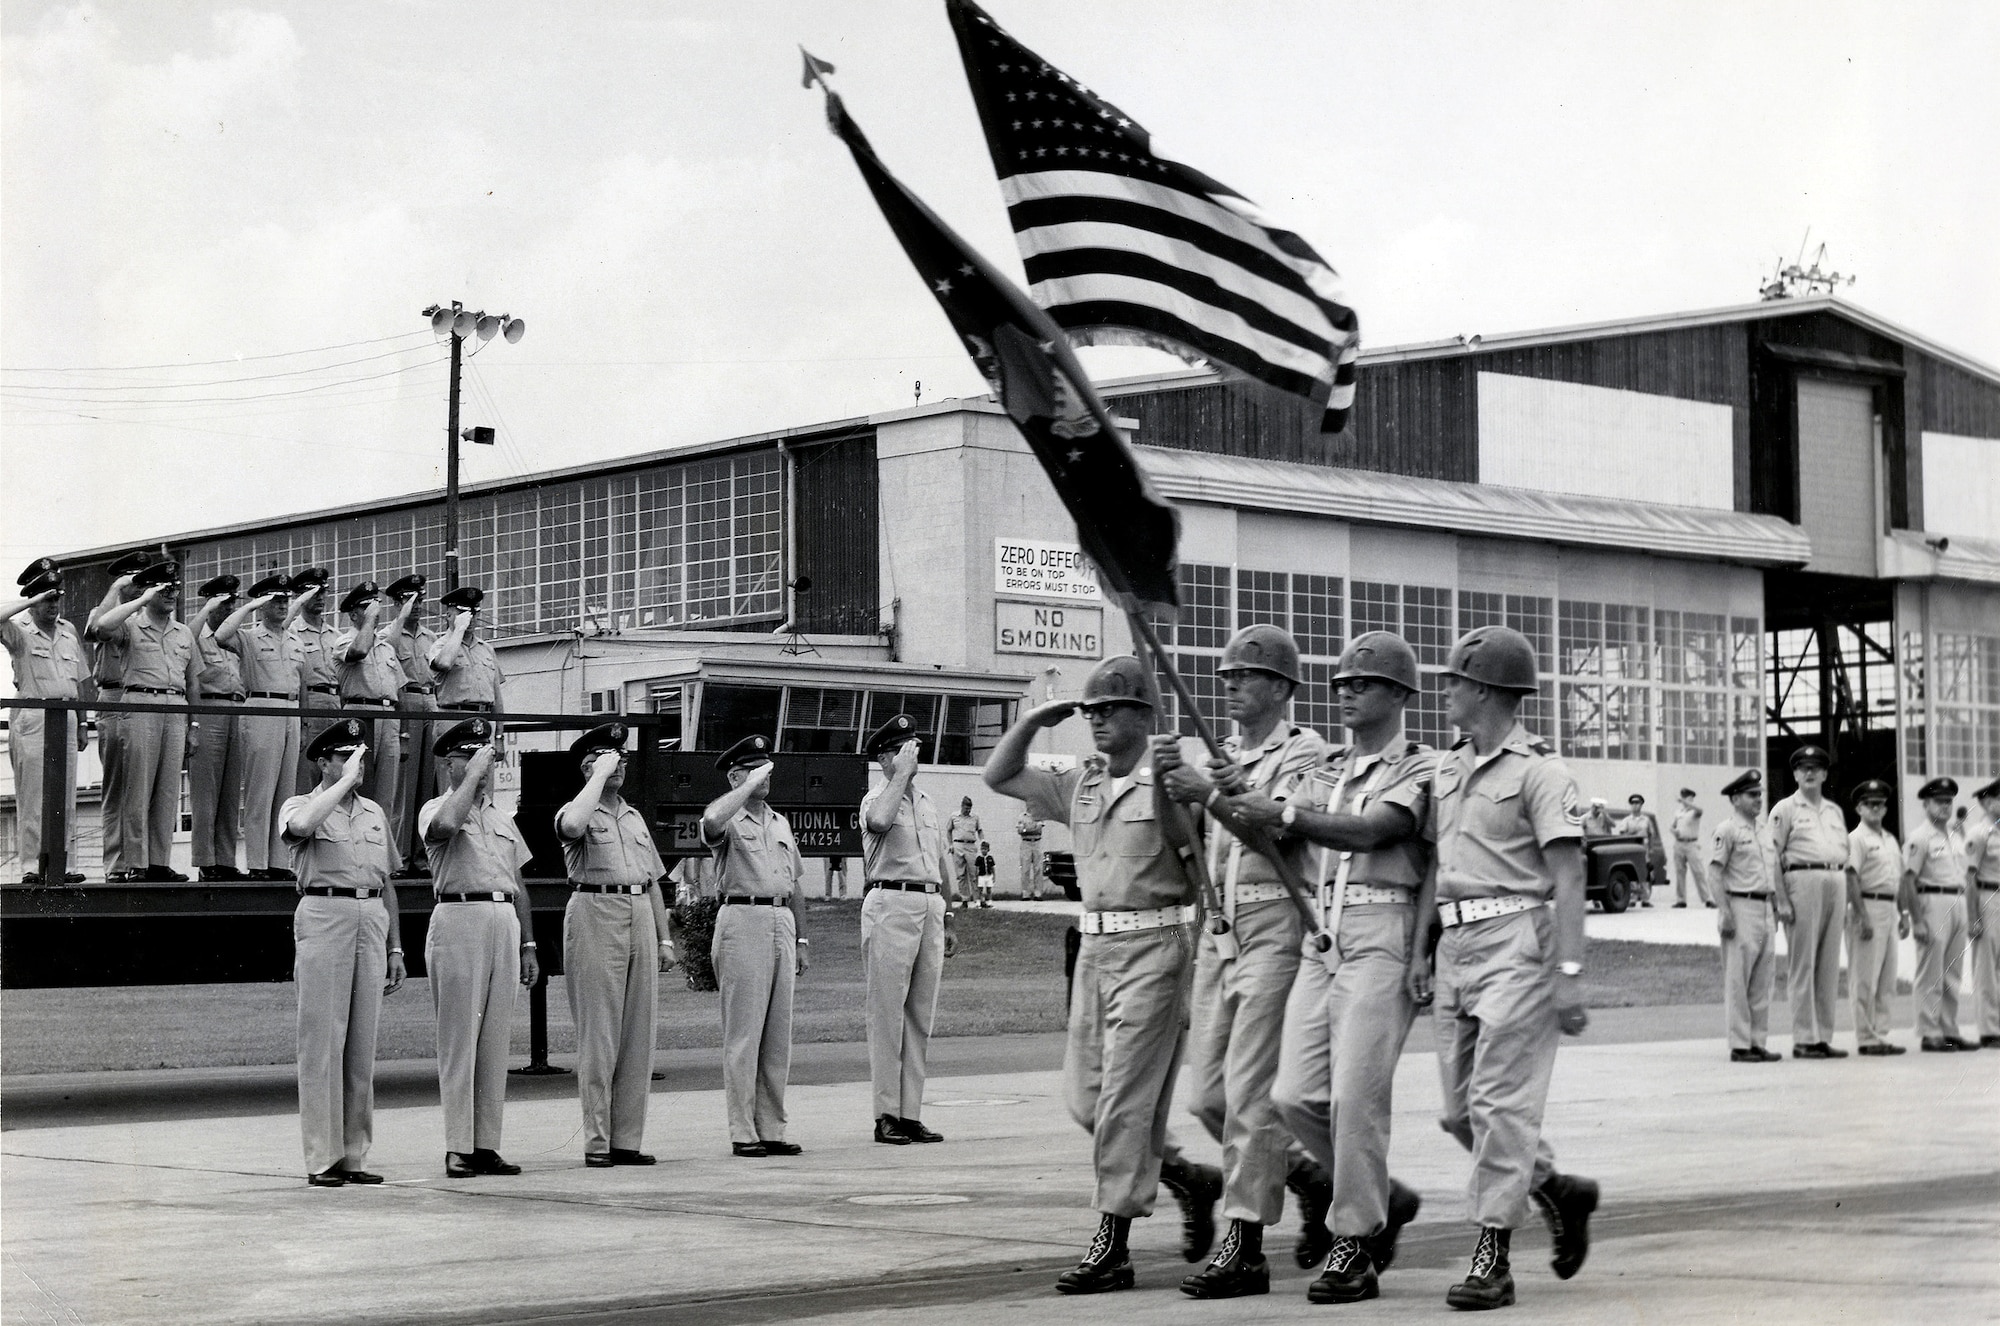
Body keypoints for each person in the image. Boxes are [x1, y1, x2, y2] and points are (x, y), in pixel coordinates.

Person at [1218, 631, 1429, 1304]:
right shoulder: (1324, 769)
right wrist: (1231, 793)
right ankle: (1374, 1199)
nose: (1344, 692)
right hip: (1322, 931)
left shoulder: (1420, 769)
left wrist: (1282, 810)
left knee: (1356, 1100)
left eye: (1360, 684)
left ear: (1398, 695)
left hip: (1381, 928)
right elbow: (1272, 828)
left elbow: (1370, 830)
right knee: (1292, 1096)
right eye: (1340, 683)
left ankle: (1355, 1242)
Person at [984, 655, 1200, 1296]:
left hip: (1155, 947)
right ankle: (1185, 1175)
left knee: (1124, 1105)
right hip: (1094, 951)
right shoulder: (1081, 782)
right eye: (1092, 710)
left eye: (1110, 709)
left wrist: (1172, 790)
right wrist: (1034, 720)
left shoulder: (1171, 780)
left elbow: (1198, 871)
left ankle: (1113, 1242)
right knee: (1085, 1100)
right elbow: (1000, 776)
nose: (1097, 720)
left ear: (1143, 715)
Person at [1408, 625, 1598, 1312]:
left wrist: (1570, 971)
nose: (1447, 693)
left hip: (1518, 940)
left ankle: (1492, 1254)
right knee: (1461, 1113)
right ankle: (1556, 1189)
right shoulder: (1448, 769)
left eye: (1455, 682)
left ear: (1485, 689)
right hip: (1455, 947)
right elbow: (1435, 865)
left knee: (1498, 1104)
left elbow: (1570, 877)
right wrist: (1420, 951)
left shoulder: (1543, 774)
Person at [1151, 623, 1325, 1299]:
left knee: (1251, 1091)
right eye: (1225, 674)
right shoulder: (1218, 753)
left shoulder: (1305, 753)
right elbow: (1185, 844)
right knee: (1209, 1097)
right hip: (1221, 925)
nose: (1229, 683)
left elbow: (1268, 828)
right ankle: (1307, 1173)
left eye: (1245, 674)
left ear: (1281, 687)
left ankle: (1244, 1244)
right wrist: (1172, 787)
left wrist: (1206, 791)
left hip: (1275, 919)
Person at [284, 717, 406, 1186]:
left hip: (370, 917)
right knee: (322, 1041)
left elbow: (387, 878)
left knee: (361, 1046)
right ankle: (322, 1158)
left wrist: (396, 944)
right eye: (343, 756)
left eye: (359, 757)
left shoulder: (374, 812)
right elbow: (300, 828)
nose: (355, 764)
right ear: (323, 762)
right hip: (324, 914)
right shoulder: (302, 802)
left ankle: (354, 1155)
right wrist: (340, 786)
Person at [420, 717, 537, 1177]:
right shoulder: (436, 807)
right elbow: (447, 826)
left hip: (503, 920)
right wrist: (471, 777)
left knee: (493, 1041)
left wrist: (528, 942)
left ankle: (486, 1143)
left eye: (482, 757)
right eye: (467, 757)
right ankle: (457, 1146)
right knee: (459, 1037)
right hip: (458, 916)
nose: (480, 765)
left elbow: (518, 882)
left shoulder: (501, 818)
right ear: (450, 764)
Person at [556, 721, 674, 1168]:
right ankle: (597, 1141)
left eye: (621, 760)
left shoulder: (633, 816)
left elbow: (653, 880)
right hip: (595, 912)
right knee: (600, 1033)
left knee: (637, 1035)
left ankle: (627, 1140)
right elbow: (571, 827)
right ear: (587, 768)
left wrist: (664, 938)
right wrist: (598, 778)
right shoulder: (578, 808)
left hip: (638, 912)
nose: (619, 766)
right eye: (608, 760)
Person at [701, 733, 809, 1158]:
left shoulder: (779, 822)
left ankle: (772, 1128)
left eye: (768, 768)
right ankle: (743, 1130)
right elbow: (710, 823)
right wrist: (745, 788)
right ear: (735, 774)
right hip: (742, 917)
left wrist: (801, 937)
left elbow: (795, 883)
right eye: (754, 768)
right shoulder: (727, 816)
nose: (766, 776)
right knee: (744, 1033)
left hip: (780, 918)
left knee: (777, 1034)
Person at [858, 713, 954, 1147]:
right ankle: (886, 1114)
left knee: (920, 1015)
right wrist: (901, 776)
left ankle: (911, 1113)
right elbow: (879, 821)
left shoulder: (928, 802)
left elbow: (942, 861)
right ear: (884, 757)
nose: (912, 754)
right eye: (902, 748)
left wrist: (949, 914)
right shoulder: (877, 797)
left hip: (929, 903)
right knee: (887, 1014)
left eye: (914, 746)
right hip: (890, 901)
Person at [86, 560, 197, 883]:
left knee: (167, 790)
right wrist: (140, 598)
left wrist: (193, 726)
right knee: (137, 788)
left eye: (174, 588)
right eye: (164, 589)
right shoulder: (131, 624)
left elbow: (192, 682)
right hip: (139, 703)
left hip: (174, 707)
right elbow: (101, 628)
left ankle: (159, 862)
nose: (170, 594)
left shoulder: (183, 633)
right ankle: (135, 863)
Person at [2, 561, 89, 884]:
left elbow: (77, 681)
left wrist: (82, 722)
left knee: (65, 796)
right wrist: (28, 602)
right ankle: (31, 866)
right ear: (33, 599)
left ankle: (61, 865)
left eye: (57, 598)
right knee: (34, 795)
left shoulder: (68, 630)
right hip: (33, 717)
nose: (54, 605)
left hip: (65, 716)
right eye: (48, 599)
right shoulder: (20, 629)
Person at [217, 575, 306, 881]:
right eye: (276, 600)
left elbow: (300, 683)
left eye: (285, 600)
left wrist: (303, 721)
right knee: (260, 792)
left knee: (285, 791)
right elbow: (221, 634)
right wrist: (251, 606)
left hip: (291, 712)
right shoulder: (250, 637)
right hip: (262, 709)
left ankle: (280, 863)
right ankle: (257, 863)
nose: (282, 605)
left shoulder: (294, 639)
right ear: (263, 604)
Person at [1769, 745, 1850, 1058]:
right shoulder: (1785, 809)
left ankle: (1823, 1037)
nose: (1810, 772)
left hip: (1835, 881)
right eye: (1803, 767)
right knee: (1803, 964)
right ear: (1795, 773)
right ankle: (1804, 1038)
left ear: (1825, 773)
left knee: (1829, 965)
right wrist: (1782, 901)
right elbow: (1772, 856)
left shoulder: (1834, 811)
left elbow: (1842, 851)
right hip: (1801, 881)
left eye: (1816, 767)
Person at [88, 551, 155, 881]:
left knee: (142, 789)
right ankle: (116, 864)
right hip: (114, 696)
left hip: (144, 700)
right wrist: (116, 589)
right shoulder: (107, 611)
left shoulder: (149, 618)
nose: (139, 585)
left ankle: (140, 862)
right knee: (116, 788)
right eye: (134, 578)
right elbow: (96, 628)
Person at [1710, 769, 1784, 1063]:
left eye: (1759, 795)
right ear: (1735, 798)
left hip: (1764, 908)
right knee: (1738, 979)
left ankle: (1757, 1042)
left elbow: (1771, 872)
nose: (1758, 800)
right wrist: (1724, 911)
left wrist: (1776, 907)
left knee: (1763, 980)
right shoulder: (1727, 831)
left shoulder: (1764, 831)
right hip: (1740, 907)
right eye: (1752, 795)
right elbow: (1714, 873)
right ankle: (1740, 1044)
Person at [1905, 777, 1976, 1053]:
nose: (1945, 807)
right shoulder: (1920, 838)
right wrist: (1917, 920)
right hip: (1932, 900)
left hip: (1956, 900)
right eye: (1939, 802)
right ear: (1926, 804)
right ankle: (1930, 1031)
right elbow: (1908, 879)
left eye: (1948, 801)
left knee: (1953, 972)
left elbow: (1963, 876)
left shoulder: (1956, 838)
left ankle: (1948, 1027)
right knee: (1931, 971)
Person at [188, 575, 248, 881]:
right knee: (205, 792)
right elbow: (185, 640)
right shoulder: (197, 633)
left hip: (236, 709)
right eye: (222, 602)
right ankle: (205, 860)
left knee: (230, 791)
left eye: (231, 602)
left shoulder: (235, 637)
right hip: (208, 709)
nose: (228, 608)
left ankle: (225, 859)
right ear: (210, 603)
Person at [1845, 779, 1908, 1056]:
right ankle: (1865, 1036)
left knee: (1887, 979)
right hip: (1867, 906)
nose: (1876, 809)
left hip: (1889, 908)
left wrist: (1904, 913)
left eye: (1881, 804)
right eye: (1870, 804)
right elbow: (1851, 877)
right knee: (1865, 978)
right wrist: (1861, 916)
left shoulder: (1890, 840)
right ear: (1859, 808)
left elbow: (1899, 879)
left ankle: (1880, 1034)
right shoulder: (1856, 839)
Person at [335, 581, 404, 819]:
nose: (376, 611)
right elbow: (359, 651)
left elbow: (399, 691)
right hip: (361, 715)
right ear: (353, 614)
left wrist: (403, 732)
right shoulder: (345, 641)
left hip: (389, 718)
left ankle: (382, 850)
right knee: (360, 788)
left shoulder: (385, 648)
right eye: (368, 607)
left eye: (377, 605)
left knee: (388, 793)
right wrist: (368, 622)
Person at [385, 574, 438, 874]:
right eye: (408, 600)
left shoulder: (431, 638)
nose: (416, 606)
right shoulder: (389, 634)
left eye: (419, 599)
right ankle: (402, 858)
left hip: (430, 702)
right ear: (397, 603)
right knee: (403, 788)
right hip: (405, 704)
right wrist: (402, 615)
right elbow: (389, 650)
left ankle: (421, 856)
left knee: (426, 786)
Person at [288, 568, 341, 795]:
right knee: (306, 781)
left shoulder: (336, 635)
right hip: (310, 706)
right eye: (314, 592)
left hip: (335, 705)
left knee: (335, 781)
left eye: (323, 592)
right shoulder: (292, 631)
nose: (320, 597)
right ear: (301, 596)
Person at [431, 585, 506, 728]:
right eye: (463, 613)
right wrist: (459, 629)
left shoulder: (487, 649)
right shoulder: (440, 645)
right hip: (453, 718)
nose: (470, 619)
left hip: (484, 719)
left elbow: (497, 696)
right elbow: (445, 663)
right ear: (449, 616)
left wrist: (499, 735)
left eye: (474, 613)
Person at [1966, 778, 2000, 1048]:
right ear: (1987, 803)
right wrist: (1973, 917)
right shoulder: (1979, 834)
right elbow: (1969, 878)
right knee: (1986, 967)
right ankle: (1989, 1030)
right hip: (1988, 898)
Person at [1616, 794, 1663, 906]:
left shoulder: (1646, 820)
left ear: (1641, 805)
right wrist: (1635, 834)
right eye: (1633, 804)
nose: (1635, 806)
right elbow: (1622, 834)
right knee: (1632, 873)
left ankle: (1645, 898)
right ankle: (1632, 897)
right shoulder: (1626, 820)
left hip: (1643, 849)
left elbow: (1651, 835)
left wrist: (1651, 849)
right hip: (1631, 848)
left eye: (1637, 804)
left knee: (1644, 873)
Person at [1669, 788, 1708, 907]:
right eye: (1688, 798)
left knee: (1699, 871)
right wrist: (1674, 831)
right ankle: (1681, 900)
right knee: (1680, 872)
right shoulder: (1678, 812)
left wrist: (1686, 803)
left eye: (1692, 798)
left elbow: (1700, 810)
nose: (1690, 800)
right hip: (1679, 843)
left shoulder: (1694, 812)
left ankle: (1707, 898)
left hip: (1692, 843)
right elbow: (1672, 826)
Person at [948, 796, 983, 902]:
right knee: (961, 874)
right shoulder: (954, 816)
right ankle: (965, 899)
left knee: (974, 873)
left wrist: (982, 841)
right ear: (962, 806)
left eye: (969, 809)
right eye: (966, 808)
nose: (968, 811)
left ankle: (978, 899)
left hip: (971, 846)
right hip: (958, 845)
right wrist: (950, 844)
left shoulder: (975, 817)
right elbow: (948, 831)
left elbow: (980, 831)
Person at [1018, 811, 1045, 899]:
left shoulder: (1039, 815)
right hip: (1026, 843)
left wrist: (1026, 829)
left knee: (1038, 868)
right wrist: (1032, 828)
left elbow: (1038, 830)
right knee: (1025, 869)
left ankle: (1038, 893)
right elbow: (1020, 830)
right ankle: (1025, 893)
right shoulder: (1022, 816)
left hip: (1037, 842)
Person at [974, 841, 996, 907]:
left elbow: (993, 868)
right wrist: (976, 877)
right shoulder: (979, 858)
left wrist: (994, 876)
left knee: (989, 889)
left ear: (988, 850)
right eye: (982, 849)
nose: (984, 850)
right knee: (980, 889)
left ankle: (989, 902)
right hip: (981, 876)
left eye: (985, 849)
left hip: (989, 876)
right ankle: (978, 902)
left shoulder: (990, 858)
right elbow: (977, 868)